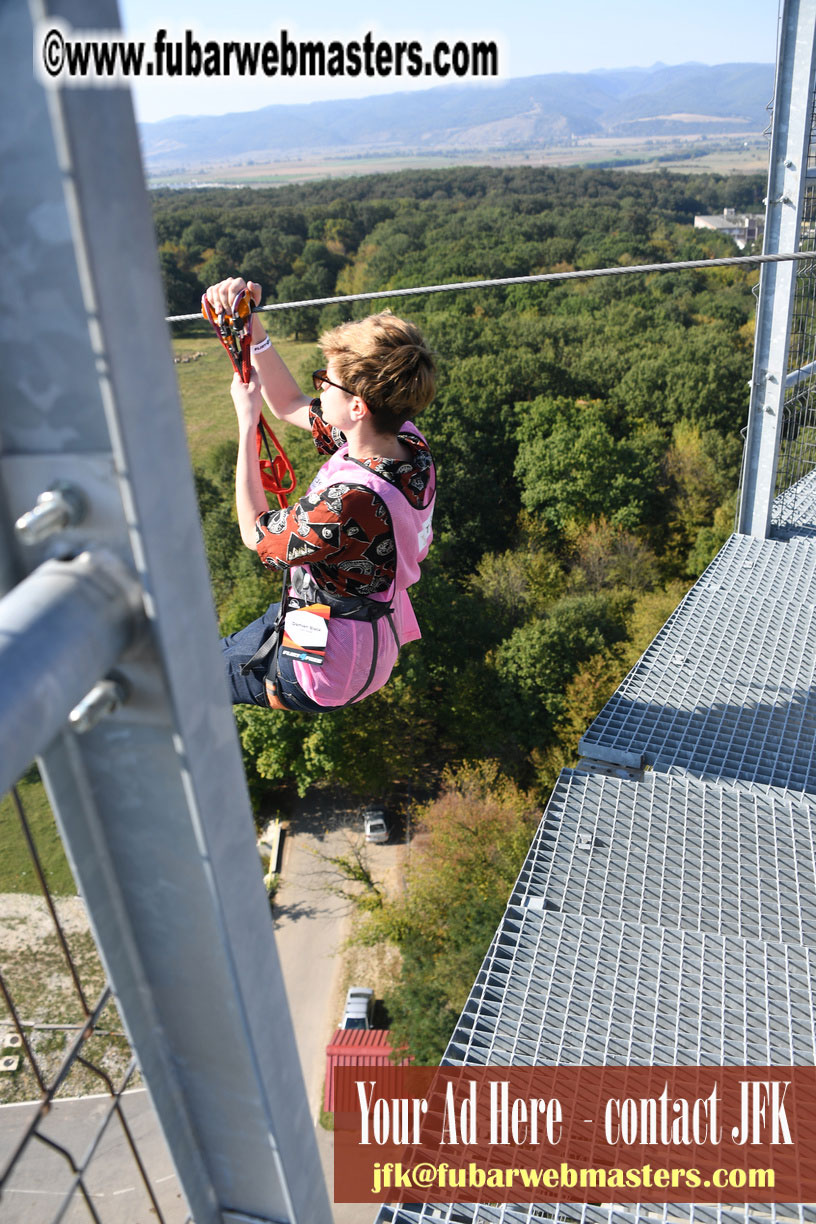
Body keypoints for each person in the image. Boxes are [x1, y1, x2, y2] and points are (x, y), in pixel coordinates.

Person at [206, 277, 437, 713]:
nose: (320, 388)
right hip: (350, 628)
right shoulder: (406, 442)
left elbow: (256, 534)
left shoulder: (348, 501)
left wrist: (246, 423)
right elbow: (288, 403)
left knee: (192, 675)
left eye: (326, 382)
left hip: (327, 666)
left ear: (358, 407)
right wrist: (251, 326)